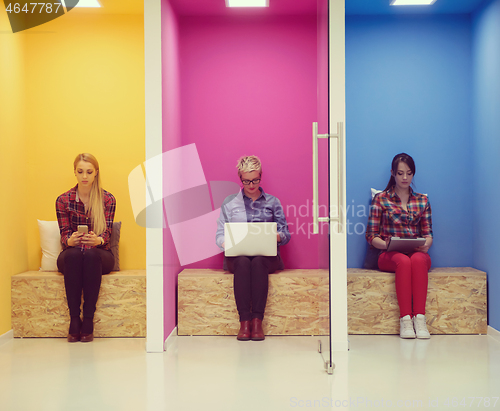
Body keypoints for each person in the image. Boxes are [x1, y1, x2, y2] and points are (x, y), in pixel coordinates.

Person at [216, 156, 291, 341]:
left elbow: (286, 233)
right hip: (237, 256)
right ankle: (245, 322)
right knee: (243, 262)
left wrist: (275, 235)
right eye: (246, 181)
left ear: (261, 176)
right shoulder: (229, 202)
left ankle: (257, 322)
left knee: (257, 262)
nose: (251, 185)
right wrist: (226, 243)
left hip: (266, 258)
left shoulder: (273, 202)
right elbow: (219, 234)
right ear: (240, 179)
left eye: (255, 180)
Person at [365, 153, 433, 339]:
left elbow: (428, 234)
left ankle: (420, 319)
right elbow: (371, 236)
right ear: (393, 173)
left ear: (413, 174)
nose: (405, 178)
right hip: (389, 254)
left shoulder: (422, 200)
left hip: (416, 252)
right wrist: (386, 245)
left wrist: (425, 245)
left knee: (418, 259)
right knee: (403, 260)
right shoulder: (381, 199)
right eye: (400, 173)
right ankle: (405, 320)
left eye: (409, 173)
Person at [56, 153, 116, 343]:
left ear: (96, 173)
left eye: (89, 172)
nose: (84, 176)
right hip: (72, 254)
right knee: (74, 256)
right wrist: (69, 240)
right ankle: (74, 320)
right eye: (80, 172)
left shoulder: (107, 199)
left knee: (90, 256)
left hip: (99, 254)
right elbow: (64, 232)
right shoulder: (63, 200)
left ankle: (88, 319)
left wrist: (97, 240)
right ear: (74, 172)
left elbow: (107, 233)